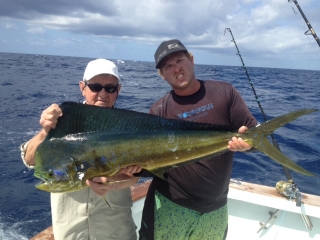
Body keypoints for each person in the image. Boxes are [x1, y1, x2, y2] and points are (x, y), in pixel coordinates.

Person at [138, 40, 257, 240]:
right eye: (168, 66)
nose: (176, 69)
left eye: (179, 60)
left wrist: (249, 145)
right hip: (170, 205)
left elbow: (252, 133)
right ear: (162, 75)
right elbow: (150, 162)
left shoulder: (225, 92)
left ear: (191, 60)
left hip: (216, 209)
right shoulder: (158, 111)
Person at [20, 58, 141, 240]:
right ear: (82, 87)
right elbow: (30, 160)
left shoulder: (130, 128)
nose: (103, 93)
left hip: (118, 232)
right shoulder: (61, 122)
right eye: (95, 87)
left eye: (110, 88)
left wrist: (115, 180)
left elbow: (134, 178)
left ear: (118, 90)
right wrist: (46, 130)